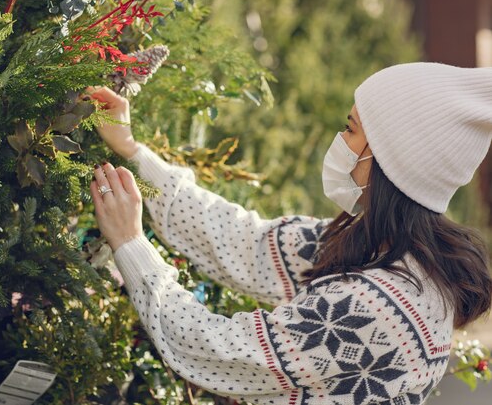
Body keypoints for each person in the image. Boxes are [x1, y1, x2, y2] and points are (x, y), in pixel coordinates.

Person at [83, 62, 492, 405]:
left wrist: (131, 245)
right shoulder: (383, 252)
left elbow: (216, 351)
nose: (341, 143)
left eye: (350, 130)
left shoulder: (379, 308)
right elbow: (247, 243)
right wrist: (133, 150)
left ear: (387, 160)